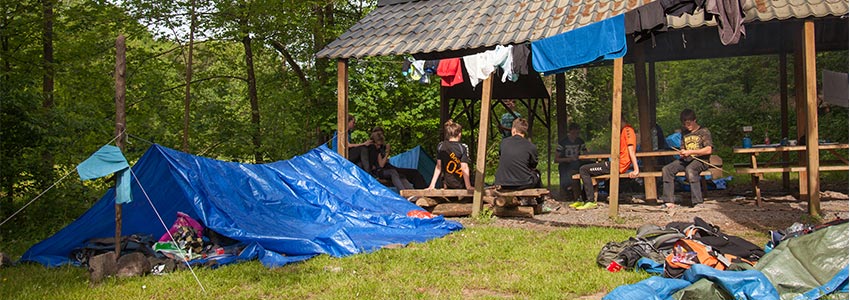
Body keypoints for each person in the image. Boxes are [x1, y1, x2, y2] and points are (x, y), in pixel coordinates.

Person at [576, 114, 640, 210]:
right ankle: (583, 200)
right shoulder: (623, 131)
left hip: (618, 166)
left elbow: (631, 150)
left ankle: (590, 201)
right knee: (586, 169)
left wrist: (636, 169)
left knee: (584, 170)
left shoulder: (627, 131)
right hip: (615, 164)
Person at [661, 109, 713, 208]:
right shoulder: (684, 133)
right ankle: (668, 201)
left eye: (689, 124)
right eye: (685, 124)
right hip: (686, 160)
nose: (687, 126)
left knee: (690, 170)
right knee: (667, 169)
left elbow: (708, 150)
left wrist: (691, 152)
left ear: (694, 120)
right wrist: (683, 152)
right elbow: (683, 147)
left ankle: (697, 201)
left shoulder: (703, 131)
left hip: (701, 160)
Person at [494, 118, 541, 190]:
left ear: (513, 130)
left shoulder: (503, 143)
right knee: (537, 173)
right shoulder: (531, 146)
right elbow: (533, 164)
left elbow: (502, 156)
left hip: (503, 183)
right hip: (524, 183)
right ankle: (540, 200)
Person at [427, 120, 474, 190]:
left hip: (446, 184)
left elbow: (438, 167)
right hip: (460, 184)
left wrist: (432, 185)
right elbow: (464, 167)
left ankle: (442, 186)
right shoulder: (463, 147)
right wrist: (468, 186)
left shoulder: (441, 146)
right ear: (459, 134)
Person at [555, 123, 587, 200]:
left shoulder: (580, 141)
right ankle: (566, 194)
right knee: (566, 172)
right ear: (569, 132)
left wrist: (581, 158)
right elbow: (556, 159)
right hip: (565, 165)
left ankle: (579, 194)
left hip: (577, 164)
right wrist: (568, 159)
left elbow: (586, 154)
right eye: (573, 133)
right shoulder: (563, 143)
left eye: (577, 133)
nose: (575, 135)